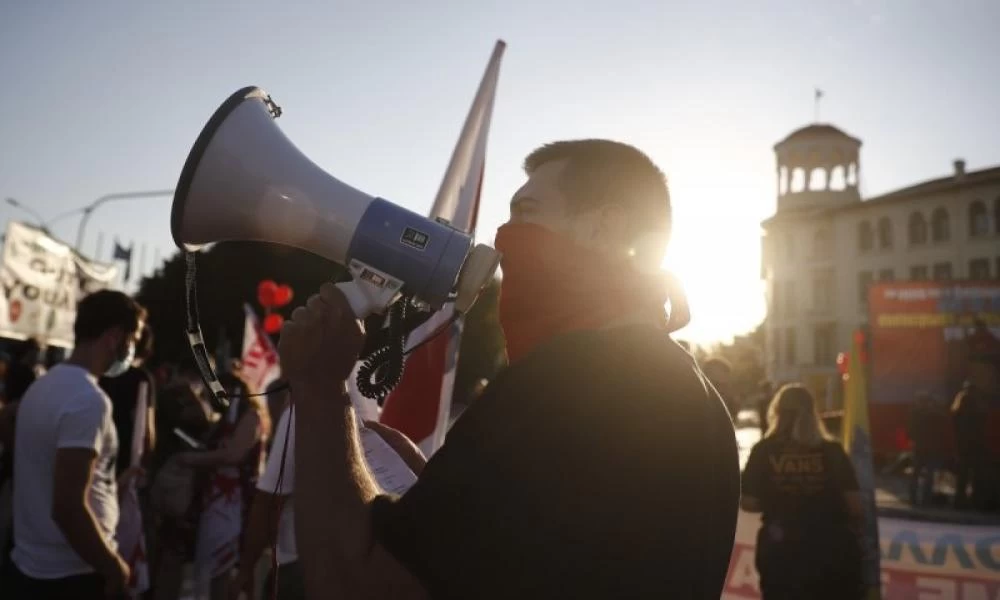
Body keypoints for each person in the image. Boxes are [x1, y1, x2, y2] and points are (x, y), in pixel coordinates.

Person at [283, 140, 740, 599]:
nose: (502, 240)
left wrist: (321, 387)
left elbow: (352, 586)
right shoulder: (701, 403)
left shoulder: (566, 380)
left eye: (526, 211)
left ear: (605, 227)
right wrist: (439, 494)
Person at [9, 290, 146, 599]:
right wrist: (113, 565)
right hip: (71, 575)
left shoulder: (41, 387)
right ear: (114, 337)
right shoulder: (88, 401)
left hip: (31, 565)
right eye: (131, 339)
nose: (131, 350)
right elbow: (68, 506)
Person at [741, 384, 864, 600]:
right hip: (831, 549)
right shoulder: (832, 451)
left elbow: (748, 502)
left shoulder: (763, 450)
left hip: (781, 551)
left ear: (776, 412)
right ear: (813, 412)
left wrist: (778, 500)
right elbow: (855, 504)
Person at [100, 326, 158, 476]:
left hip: (100, 451)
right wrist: (145, 465)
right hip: (126, 458)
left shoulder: (102, 372)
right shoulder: (142, 379)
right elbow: (147, 430)